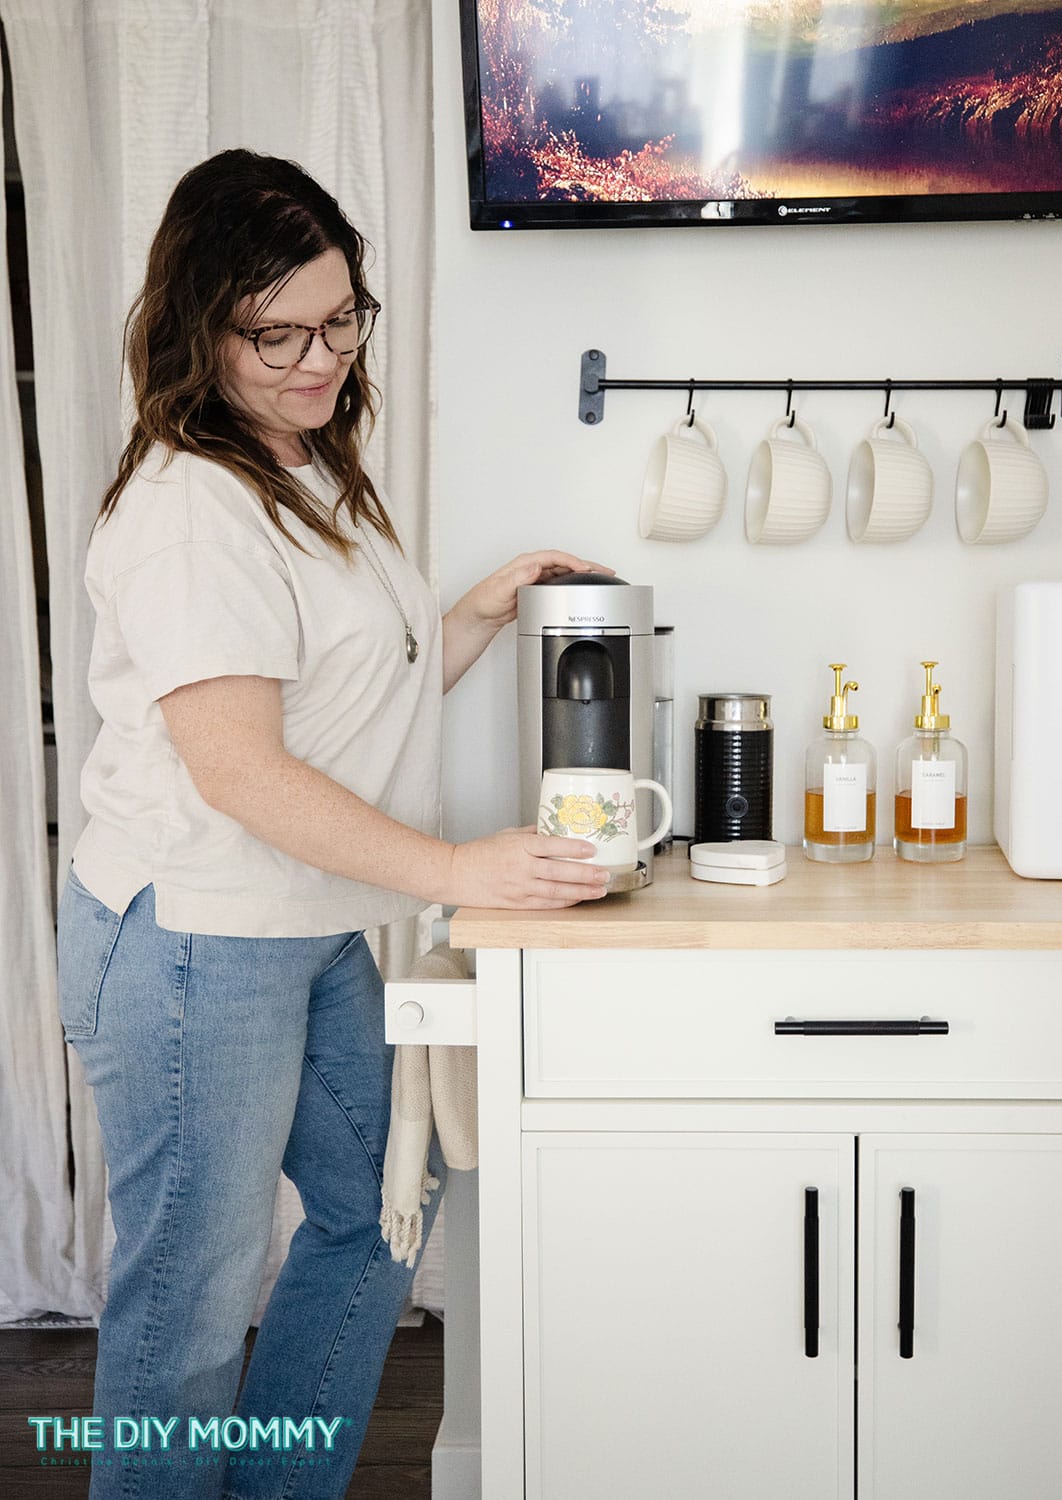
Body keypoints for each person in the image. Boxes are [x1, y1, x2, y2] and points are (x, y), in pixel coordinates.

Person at [54, 147, 611, 1500]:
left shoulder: (300, 463)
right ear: (202, 325)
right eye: (278, 333)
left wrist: (474, 608)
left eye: (342, 317)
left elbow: (348, 695)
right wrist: (457, 869)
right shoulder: (193, 511)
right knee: (186, 1303)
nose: (320, 357)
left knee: (375, 1220)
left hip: (307, 924)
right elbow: (244, 772)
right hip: (195, 945)